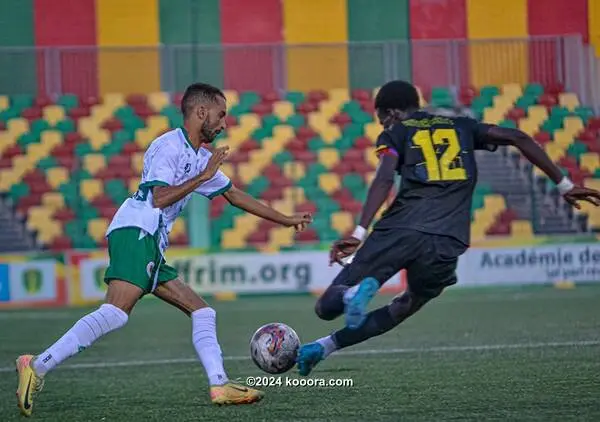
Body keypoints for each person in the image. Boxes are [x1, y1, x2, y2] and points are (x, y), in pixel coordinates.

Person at [15, 82, 313, 416]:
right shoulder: (168, 146)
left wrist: (284, 219)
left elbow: (234, 195)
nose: (224, 123)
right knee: (115, 313)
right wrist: (202, 178)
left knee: (202, 311)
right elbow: (157, 197)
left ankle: (220, 384)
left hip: (151, 242)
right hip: (136, 230)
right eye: (221, 114)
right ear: (201, 112)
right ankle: (37, 366)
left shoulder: (200, 158)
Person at [296, 80, 600, 376]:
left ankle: (352, 297)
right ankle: (324, 348)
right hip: (448, 238)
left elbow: (386, 176)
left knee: (327, 306)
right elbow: (519, 137)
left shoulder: (397, 132)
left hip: (400, 227)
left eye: (381, 120)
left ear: (392, 113)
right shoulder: (463, 127)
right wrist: (564, 184)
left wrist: (359, 232)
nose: (382, 127)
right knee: (406, 305)